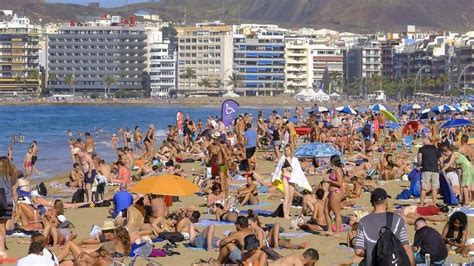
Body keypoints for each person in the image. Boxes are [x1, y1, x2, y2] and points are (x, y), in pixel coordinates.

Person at [354, 188, 415, 266]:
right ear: (386, 201)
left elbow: (358, 251)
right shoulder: (397, 219)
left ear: (372, 203)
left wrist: (370, 251)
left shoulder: (363, 222)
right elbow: (406, 247)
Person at [417, 137, 441, 206]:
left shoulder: (422, 149)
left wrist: (419, 164)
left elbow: (419, 157)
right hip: (435, 170)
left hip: (426, 169)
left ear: (426, 141)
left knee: (424, 187)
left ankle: (421, 203)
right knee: (435, 188)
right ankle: (434, 203)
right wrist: (441, 167)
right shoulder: (436, 149)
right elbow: (441, 159)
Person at [324, 155, 344, 236]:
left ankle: (337, 232)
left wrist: (329, 180)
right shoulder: (333, 170)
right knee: (325, 210)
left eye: (330, 161)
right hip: (331, 192)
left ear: (333, 161)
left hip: (336, 192)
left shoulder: (338, 170)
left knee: (336, 213)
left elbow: (339, 183)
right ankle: (329, 229)